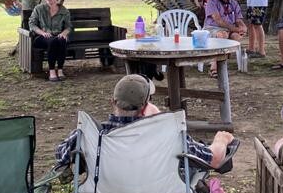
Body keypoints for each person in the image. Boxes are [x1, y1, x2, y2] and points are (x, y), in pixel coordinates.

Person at [54, 75, 234, 175]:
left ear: (113, 102)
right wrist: (220, 140)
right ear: (146, 106)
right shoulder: (168, 134)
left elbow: (61, 153)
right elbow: (214, 160)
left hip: (109, 191)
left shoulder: (90, 133)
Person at [28, 0, 73, 82]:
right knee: (53, 41)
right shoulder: (39, 9)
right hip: (41, 37)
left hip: (58, 36)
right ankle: (52, 71)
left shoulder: (64, 11)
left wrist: (64, 33)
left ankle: (60, 70)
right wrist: (42, 33)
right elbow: (32, 24)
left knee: (61, 40)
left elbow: (68, 27)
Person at [204, 0, 247, 76]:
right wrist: (235, 29)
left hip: (229, 29)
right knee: (221, 35)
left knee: (236, 37)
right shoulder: (212, 2)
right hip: (213, 28)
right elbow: (219, 21)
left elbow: (238, 20)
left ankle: (224, 61)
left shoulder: (234, 3)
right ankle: (213, 67)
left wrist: (243, 27)